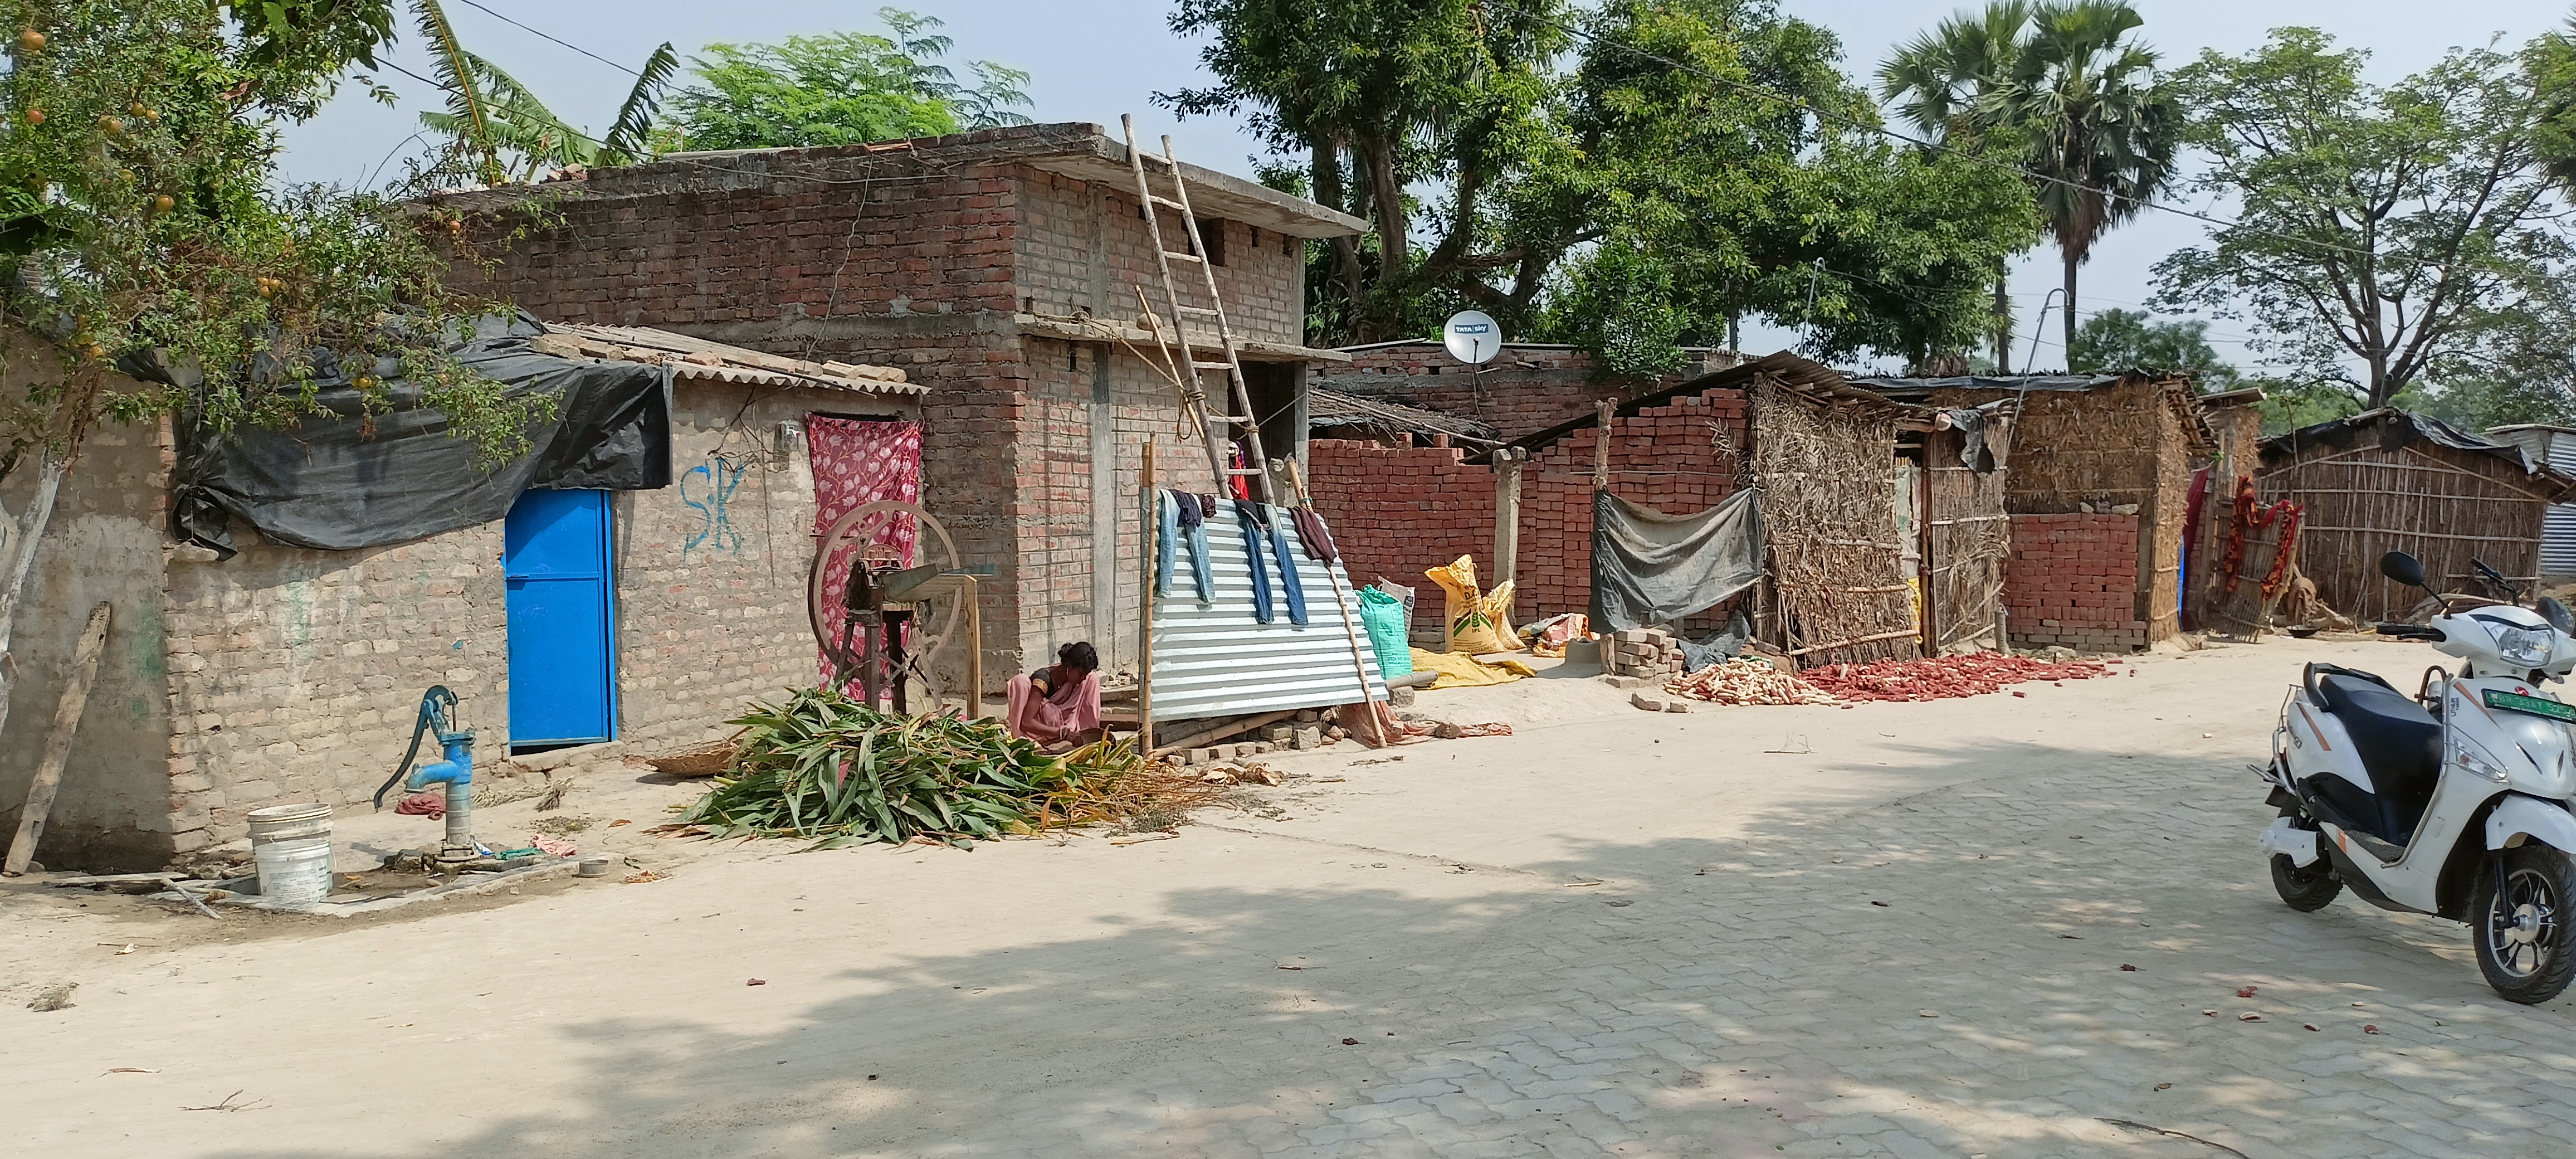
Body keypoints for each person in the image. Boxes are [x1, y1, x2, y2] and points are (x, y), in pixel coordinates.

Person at [1006, 641, 1102, 751]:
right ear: (1070, 666)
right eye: (1081, 674)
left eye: (1085, 674)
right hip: (1039, 730)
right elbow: (1027, 722)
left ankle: (1088, 733)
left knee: (1093, 678)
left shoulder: (1077, 682)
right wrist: (1063, 733)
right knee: (1020, 680)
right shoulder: (1043, 680)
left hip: (1065, 726)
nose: (1083, 678)